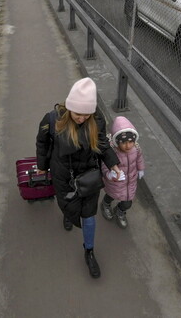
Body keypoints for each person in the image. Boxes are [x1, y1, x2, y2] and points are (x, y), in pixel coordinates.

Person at [36, 77, 120, 278]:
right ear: (69, 107)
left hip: (88, 174)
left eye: (85, 115)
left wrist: (113, 164)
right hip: (63, 174)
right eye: (77, 114)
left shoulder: (96, 120)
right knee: (68, 204)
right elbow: (42, 143)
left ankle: (89, 251)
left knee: (89, 215)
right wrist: (42, 167)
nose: (81, 118)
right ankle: (68, 214)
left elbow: (102, 145)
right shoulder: (52, 119)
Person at [100, 116, 146, 229]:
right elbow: (105, 166)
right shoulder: (111, 153)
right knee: (110, 195)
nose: (128, 145)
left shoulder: (136, 149)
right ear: (117, 141)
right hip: (115, 183)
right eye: (124, 142)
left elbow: (139, 159)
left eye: (130, 142)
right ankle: (105, 204)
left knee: (127, 202)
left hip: (130, 182)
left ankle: (120, 211)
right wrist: (109, 175)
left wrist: (141, 169)